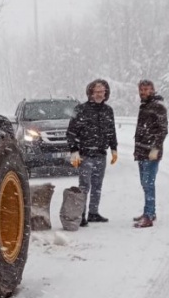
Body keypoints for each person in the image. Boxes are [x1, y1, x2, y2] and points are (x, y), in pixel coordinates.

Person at [66, 79, 118, 227]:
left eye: (102, 91)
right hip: (85, 154)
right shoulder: (81, 109)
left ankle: (93, 213)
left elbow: (111, 131)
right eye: (97, 91)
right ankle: (81, 214)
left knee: (97, 185)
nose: (100, 94)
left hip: (101, 154)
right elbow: (71, 132)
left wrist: (114, 148)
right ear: (90, 92)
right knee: (84, 186)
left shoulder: (108, 111)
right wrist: (74, 151)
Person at [133, 79, 168, 228]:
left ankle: (148, 216)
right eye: (141, 90)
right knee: (144, 183)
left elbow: (163, 130)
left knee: (148, 184)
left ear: (153, 90)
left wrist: (156, 148)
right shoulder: (144, 106)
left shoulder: (158, 107)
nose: (144, 92)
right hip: (141, 151)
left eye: (147, 89)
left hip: (151, 153)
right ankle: (150, 212)